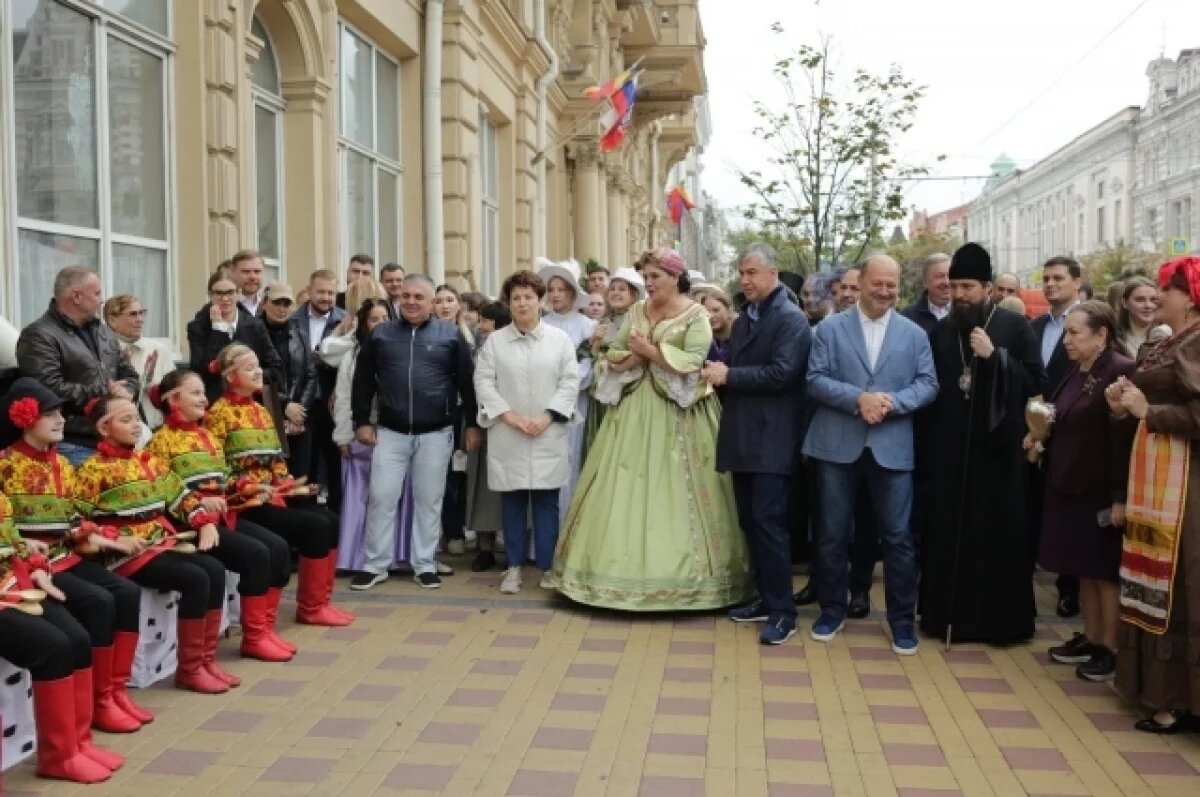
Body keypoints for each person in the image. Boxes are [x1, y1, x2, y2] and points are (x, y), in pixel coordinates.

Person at [552, 249, 752, 610]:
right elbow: (615, 349)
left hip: (682, 413)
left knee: (680, 486)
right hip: (634, 408)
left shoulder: (697, 315)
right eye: (646, 277)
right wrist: (633, 356)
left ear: (675, 277)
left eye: (655, 277)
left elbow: (693, 363)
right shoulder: (636, 310)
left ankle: (693, 583)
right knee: (622, 481)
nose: (649, 283)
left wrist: (650, 351)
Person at [803, 256, 937, 652]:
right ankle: (831, 610)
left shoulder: (914, 334)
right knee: (831, 535)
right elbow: (815, 379)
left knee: (897, 539)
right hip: (836, 445)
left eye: (891, 285)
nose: (884, 292)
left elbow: (928, 384)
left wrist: (891, 402)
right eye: (877, 283)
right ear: (859, 283)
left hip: (891, 446)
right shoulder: (829, 329)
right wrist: (857, 399)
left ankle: (901, 621)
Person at [0, 378, 148, 732]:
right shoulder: (6, 465)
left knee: (124, 593)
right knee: (98, 602)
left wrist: (105, 537)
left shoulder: (63, 464)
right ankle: (96, 706)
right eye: (49, 414)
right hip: (33, 563)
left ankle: (111, 694)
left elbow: (72, 518)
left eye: (61, 413)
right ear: (24, 419)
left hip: (63, 554)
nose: (61, 420)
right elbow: (12, 528)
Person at [919, 243, 1045, 645]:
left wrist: (996, 359)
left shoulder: (1014, 327)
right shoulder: (941, 332)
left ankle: (999, 625)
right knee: (948, 534)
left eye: (967, 286)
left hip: (999, 453)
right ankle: (945, 618)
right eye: (953, 286)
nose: (958, 294)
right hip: (952, 452)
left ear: (988, 287)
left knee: (998, 537)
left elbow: (1035, 386)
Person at [74, 394, 235, 694]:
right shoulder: (91, 471)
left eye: (136, 418)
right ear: (104, 428)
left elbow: (181, 496)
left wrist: (205, 522)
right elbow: (75, 521)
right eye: (126, 420)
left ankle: (203, 662)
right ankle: (188, 670)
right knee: (196, 576)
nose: (136, 425)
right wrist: (114, 539)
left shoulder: (148, 461)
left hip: (158, 543)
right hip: (121, 555)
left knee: (213, 568)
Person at [1106, 255, 1200, 733]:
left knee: (1182, 585)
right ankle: (1157, 691)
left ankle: (1178, 699)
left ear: (1189, 296)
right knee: (1154, 579)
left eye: (1166, 288)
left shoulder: (1198, 342)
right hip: (1154, 478)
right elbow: (1150, 404)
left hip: (1187, 490)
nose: (1157, 295)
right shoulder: (1166, 342)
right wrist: (1124, 407)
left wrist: (1151, 412)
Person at [147, 368, 297, 663]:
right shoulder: (160, 443)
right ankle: (237, 644)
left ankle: (259, 633)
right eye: (196, 393)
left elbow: (224, 479)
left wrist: (249, 487)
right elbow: (165, 494)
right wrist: (203, 504)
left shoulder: (207, 437)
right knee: (255, 553)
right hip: (188, 525)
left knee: (275, 548)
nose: (205, 399)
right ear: (174, 399)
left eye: (204, 392)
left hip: (220, 519)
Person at [703, 244, 811, 645]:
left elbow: (783, 373)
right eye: (742, 272)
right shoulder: (747, 317)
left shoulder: (791, 319)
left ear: (773, 273)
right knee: (750, 522)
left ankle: (783, 612)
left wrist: (729, 376)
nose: (745, 280)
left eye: (752, 272)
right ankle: (765, 599)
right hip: (743, 436)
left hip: (772, 439)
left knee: (770, 526)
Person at [205, 344, 354, 627]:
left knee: (329, 519)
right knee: (315, 527)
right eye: (248, 368)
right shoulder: (219, 414)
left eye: (258, 365)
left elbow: (275, 458)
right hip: (243, 502)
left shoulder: (261, 411)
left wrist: (286, 483)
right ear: (228, 376)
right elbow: (216, 468)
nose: (258, 372)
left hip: (270, 495)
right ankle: (282, 618)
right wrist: (249, 486)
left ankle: (317, 603)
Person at [350, 275, 480, 591]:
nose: (410, 301)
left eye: (418, 297)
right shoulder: (381, 334)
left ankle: (424, 563)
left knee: (429, 499)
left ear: (431, 301)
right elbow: (363, 382)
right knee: (381, 496)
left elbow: (467, 383)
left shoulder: (449, 335)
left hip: (436, 432)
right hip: (391, 432)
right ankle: (375, 564)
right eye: (405, 296)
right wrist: (361, 422)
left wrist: (473, 424)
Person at [1032, 301, 1135, 682]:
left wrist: (1119, 496)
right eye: (1065, 332)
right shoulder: (1078, 369)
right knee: (1084, 570)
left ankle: (1110, 646)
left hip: (1100, 488)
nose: (1066, 341)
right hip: (1070, 482)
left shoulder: (1121, 371)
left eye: (1075, 333)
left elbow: (1122, 439)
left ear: (1101, 335)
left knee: (1104, 571)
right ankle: (1091, 637)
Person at [0, 491, 123, 783]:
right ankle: (58, 756)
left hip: (15, 584)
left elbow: (12, 542)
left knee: (78, 639)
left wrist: (37, 568)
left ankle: (79, 744)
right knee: (52, 647)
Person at [473, 271, 580, 594]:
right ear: (509, 302)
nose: (522, 303)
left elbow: (569, 381)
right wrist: (510, 416)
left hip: (547, 432)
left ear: (540, 301)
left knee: (547, 501)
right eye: (516, 298)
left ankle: (547, 568)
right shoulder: (495, 342)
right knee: (513, 500)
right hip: (510, 432)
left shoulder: (559, 340)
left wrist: (547, 417)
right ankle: (514, 567)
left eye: (528, 297)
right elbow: (484, 382)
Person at [16, 267, 139, 467]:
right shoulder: (39, 335)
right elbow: (47, 390)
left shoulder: (103, 331)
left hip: (116, 441)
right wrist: (105, 392)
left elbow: (128, 372)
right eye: (97, 293)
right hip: (74, 443)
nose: (102, 300)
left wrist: (126, 390)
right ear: (76, 297)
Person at [333, 300, 413, 571]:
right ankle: (357, 557)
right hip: (361, 435)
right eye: (373, 319)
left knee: (394, 497)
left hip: (395, 433)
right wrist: (344, 435)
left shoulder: (403, 350)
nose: (379, 323)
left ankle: (395, 555)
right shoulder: (353, 356)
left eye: (384, 318)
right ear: (364, 323)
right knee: (362, 498)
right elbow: (344, 397)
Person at [1031, 256, 1084, 618]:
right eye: (1046, 278)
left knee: (1071, 515)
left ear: (1077, 282)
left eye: (1059, 278)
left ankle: (1070, 588)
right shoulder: (1035, 328)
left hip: (1074, 433)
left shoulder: (1090, 324)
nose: (1050, 284)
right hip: (1036, 432)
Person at [537, 258, 597, 524]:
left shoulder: (587, 327)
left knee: (570, 459)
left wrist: (565, 389)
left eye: (561, 289)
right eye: (552, 289)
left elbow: (589, 367)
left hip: (574, 404)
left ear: (572, 292)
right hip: (541, 403)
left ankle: (569, 529)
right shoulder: (540, 324)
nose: (555, 295)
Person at [187, 271, 286, 404]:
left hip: (251, 403)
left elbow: (276, 368)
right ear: (210, 295)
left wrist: (249, 375)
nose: (225, 298)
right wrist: (218, 329)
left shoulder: (255, 325)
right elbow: (200, 371)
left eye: (230, 292)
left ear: (239, 293)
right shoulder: (197, 327)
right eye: (219, 293)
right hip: (215, 404)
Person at [292, 270, 345, 510]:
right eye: (321, 291)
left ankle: (336, 520)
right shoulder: (292, 320)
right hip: (302, 402)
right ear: (310, 291)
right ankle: (307, 515)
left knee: (335, 462)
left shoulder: (345, 322)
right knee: (305, 463)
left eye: (331, 293)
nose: (325, 297)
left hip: (333, 401)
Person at [466, 301, 511, 573]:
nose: (480, 326)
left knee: (512, 489)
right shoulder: (477, 349)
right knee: (481, 487)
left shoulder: (510, 349)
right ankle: (485, 548)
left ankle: (515, 547)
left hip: (510, 424)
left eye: (485, 321)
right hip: (482, 425)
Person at [583, 267, 646, 453]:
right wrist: (595, 344)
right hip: (602, 394)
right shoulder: (604, 322)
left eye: (622, 289)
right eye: (612, 289)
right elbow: (594, 357)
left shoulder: (638, 321)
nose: (616, 293)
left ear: (633, 296)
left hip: (628, 392)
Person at [260, 283, 318, 477]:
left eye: (286, 303)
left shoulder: (299, 335)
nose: (282, 308)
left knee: (301, 476)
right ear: (264, 303)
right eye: (277, 302)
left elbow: (310, 374)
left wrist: (299, 411)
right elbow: (256, 376)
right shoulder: (253, 332)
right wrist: (284, 405)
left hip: (298, 419)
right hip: (265, 416)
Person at [103, 295, 173, 430]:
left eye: (142, 313)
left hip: (156, 429)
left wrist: (149, 379)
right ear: (113, 320)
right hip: (117, 431)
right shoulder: (103, 352)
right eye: (133, 314)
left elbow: (172, 395)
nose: (140, 319)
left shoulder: (158, 350)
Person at [1116, 276, 1170, 360]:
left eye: (1153, 300)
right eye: (1140, 300)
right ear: (1124, 303)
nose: (1148, 305)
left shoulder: (1168, 335)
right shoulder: (1113, 340)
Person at [900, 253, 952, 334]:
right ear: (925, 282)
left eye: (950, 276)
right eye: (940, 276)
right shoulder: (908, 318)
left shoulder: (966, 312)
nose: (947, 282)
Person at [230, 250, 266, 316]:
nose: (252, 277)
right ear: (233, 273)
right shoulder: (221, 308)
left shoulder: (270, 308)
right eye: (246, 271)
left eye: (257, 271)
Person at [702, 292, 734, 364]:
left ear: (729, 310)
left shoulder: (742, 338)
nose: (711, 316)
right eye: (706, 312)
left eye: (716, 310)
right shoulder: (703, 342)